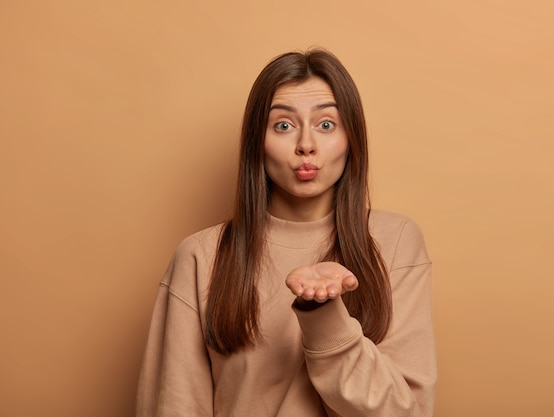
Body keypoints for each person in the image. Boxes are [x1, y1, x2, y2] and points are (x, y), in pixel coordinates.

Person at [136, 49, 437, 417]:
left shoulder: (395, 241)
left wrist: (324, 315)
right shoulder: (201, 255)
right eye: (283, 125)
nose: (306, 145)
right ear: (256, 144)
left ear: (351, 139)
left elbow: (407, 412)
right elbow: (174, 407)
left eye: (326, 124)